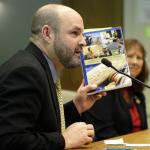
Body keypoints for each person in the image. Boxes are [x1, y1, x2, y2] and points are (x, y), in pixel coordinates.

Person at [0, 4, 106, 150]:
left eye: (82, 34)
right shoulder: (26, 71)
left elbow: (42, 125)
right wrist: (64, 140)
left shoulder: (40, 65)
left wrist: (77, 106)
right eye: (75, 33)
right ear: (47, 33)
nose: (83, 41)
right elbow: (10, 141)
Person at [82, 39, 149, 140]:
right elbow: (104, 133)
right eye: (130, 56)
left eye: (139, 57)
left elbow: (144, 132)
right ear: (118, 58)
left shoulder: (139, 95)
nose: (135, 62)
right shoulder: (103, 91)